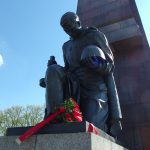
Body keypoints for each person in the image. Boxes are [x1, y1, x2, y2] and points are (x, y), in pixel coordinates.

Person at [40, 12, 122, 136]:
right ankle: (54, 117)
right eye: (64, 28)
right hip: (74, 88)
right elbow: (68, 70)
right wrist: (49, 79)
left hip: (94, 89)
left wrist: (97, 65)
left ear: (78, 22)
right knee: (53, 70)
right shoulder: (66, 46)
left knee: (90, 128)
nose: (67, 30)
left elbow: (110, 65)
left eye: (69, 26)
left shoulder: (95, 36)